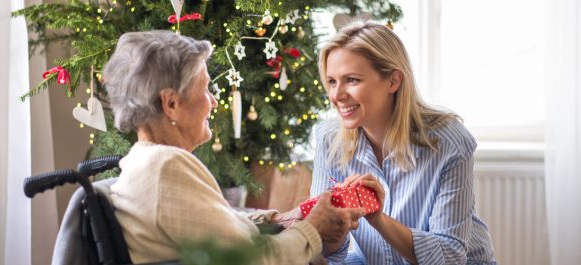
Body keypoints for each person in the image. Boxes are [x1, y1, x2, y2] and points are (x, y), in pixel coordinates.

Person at [102, 30, 365, 264]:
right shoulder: (165, 167)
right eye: (205, 90)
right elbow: (253, 259)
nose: (213, 102)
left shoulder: (143, 162)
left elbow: (214, 226)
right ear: (171, 104)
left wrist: (282, 219)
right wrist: (313, 229)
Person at [310, 21, 497, 264]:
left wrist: (379, 219)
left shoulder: (449, 141)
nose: (336, 95)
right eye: (332, 81)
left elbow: (450, 256)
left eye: (352, 80)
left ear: (393, 81)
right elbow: (328, 249)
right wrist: (330, 228)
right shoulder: (329, 140)